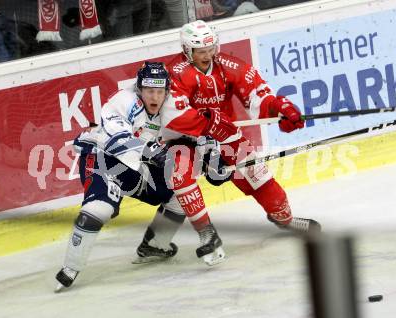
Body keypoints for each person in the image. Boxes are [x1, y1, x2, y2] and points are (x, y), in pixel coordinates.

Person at [137, 20, 320, 257]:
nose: (207, 55)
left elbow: (257, 93)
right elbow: (174, 115)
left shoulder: (228, 65)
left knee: (259, 177)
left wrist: (279, 107)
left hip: (226, 135)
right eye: (201, 51)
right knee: (180, 182)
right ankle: (158, 242)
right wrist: (207, 125)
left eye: (211, 48)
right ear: (187, 50)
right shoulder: (175, 73)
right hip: (186, 139)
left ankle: (283, 218)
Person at [55, 62, 187, 292]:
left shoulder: (171, 104)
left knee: (181, 196)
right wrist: (149, 150)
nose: (154, 97)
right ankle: (70, 268)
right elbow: (118, 139)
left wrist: (208, 144)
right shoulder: (123, 101)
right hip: (102, 159)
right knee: (99, 210)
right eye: (149, 91)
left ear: (167, 90)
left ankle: (154, 246)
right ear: (139, 89)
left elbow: (190, 132)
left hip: (135, 167)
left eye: (159, 91)